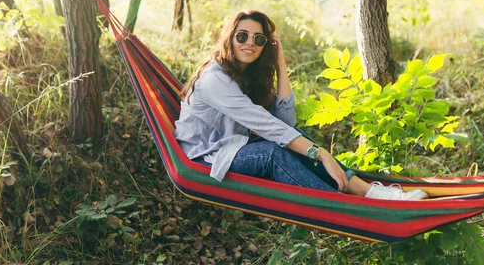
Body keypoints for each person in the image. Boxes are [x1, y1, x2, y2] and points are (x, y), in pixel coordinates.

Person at [173, 10, 428, 200]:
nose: (249, 43)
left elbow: (285, 122)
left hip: (232, 146)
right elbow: (265, 124)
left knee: (294, 138)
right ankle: (341, 205)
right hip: (205, 157)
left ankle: (365, 191)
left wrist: (279, 62)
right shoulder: (215, 79)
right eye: (242, 36)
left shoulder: (247, 75)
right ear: (230, 38)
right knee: (273, 153)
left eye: (258, 39)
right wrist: (321, 153)